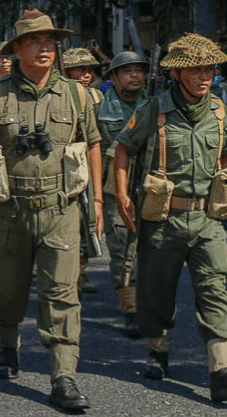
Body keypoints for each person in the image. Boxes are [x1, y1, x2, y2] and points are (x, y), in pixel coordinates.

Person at [0, 9, 103, 411]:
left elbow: (92, 144)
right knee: (7, 292)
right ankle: (7, 344)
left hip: (61, 208)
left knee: (62, 293)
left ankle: (63, 377)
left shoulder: (77, 94)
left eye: (51, 41)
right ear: (16, 49)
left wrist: (98, 201)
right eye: (35, 41)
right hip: (8, 209)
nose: (45, 48)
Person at [113, 33, 227, 404]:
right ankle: (157, 351)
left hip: (208, 218)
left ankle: (221, 371)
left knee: (215, 289)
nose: (204, 76)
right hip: (163, 218)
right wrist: (121, 196)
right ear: (178, 74)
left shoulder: (219, 111)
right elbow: (123, 151)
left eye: (209, 68)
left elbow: (226, 160)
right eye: (195, 70)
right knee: (156, 289)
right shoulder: (153, 110)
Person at [95, 50, 148, 338]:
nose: (135, 76)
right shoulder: (100, 109)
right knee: (122, 249)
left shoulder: (156, 105)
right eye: (127, 71)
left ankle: (147, 301)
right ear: (114, 78)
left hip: (151, 187)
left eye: (139, 70)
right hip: (115, 186)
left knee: (151, 250)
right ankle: (130, 308)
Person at [62, 47, 104, 295]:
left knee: (88, 219)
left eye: (89, 70)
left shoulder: (98, 96)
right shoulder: (60, 95)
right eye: (80, 69)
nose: (86, 74)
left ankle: (81, 268)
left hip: (90, 163)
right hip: (65, 166)